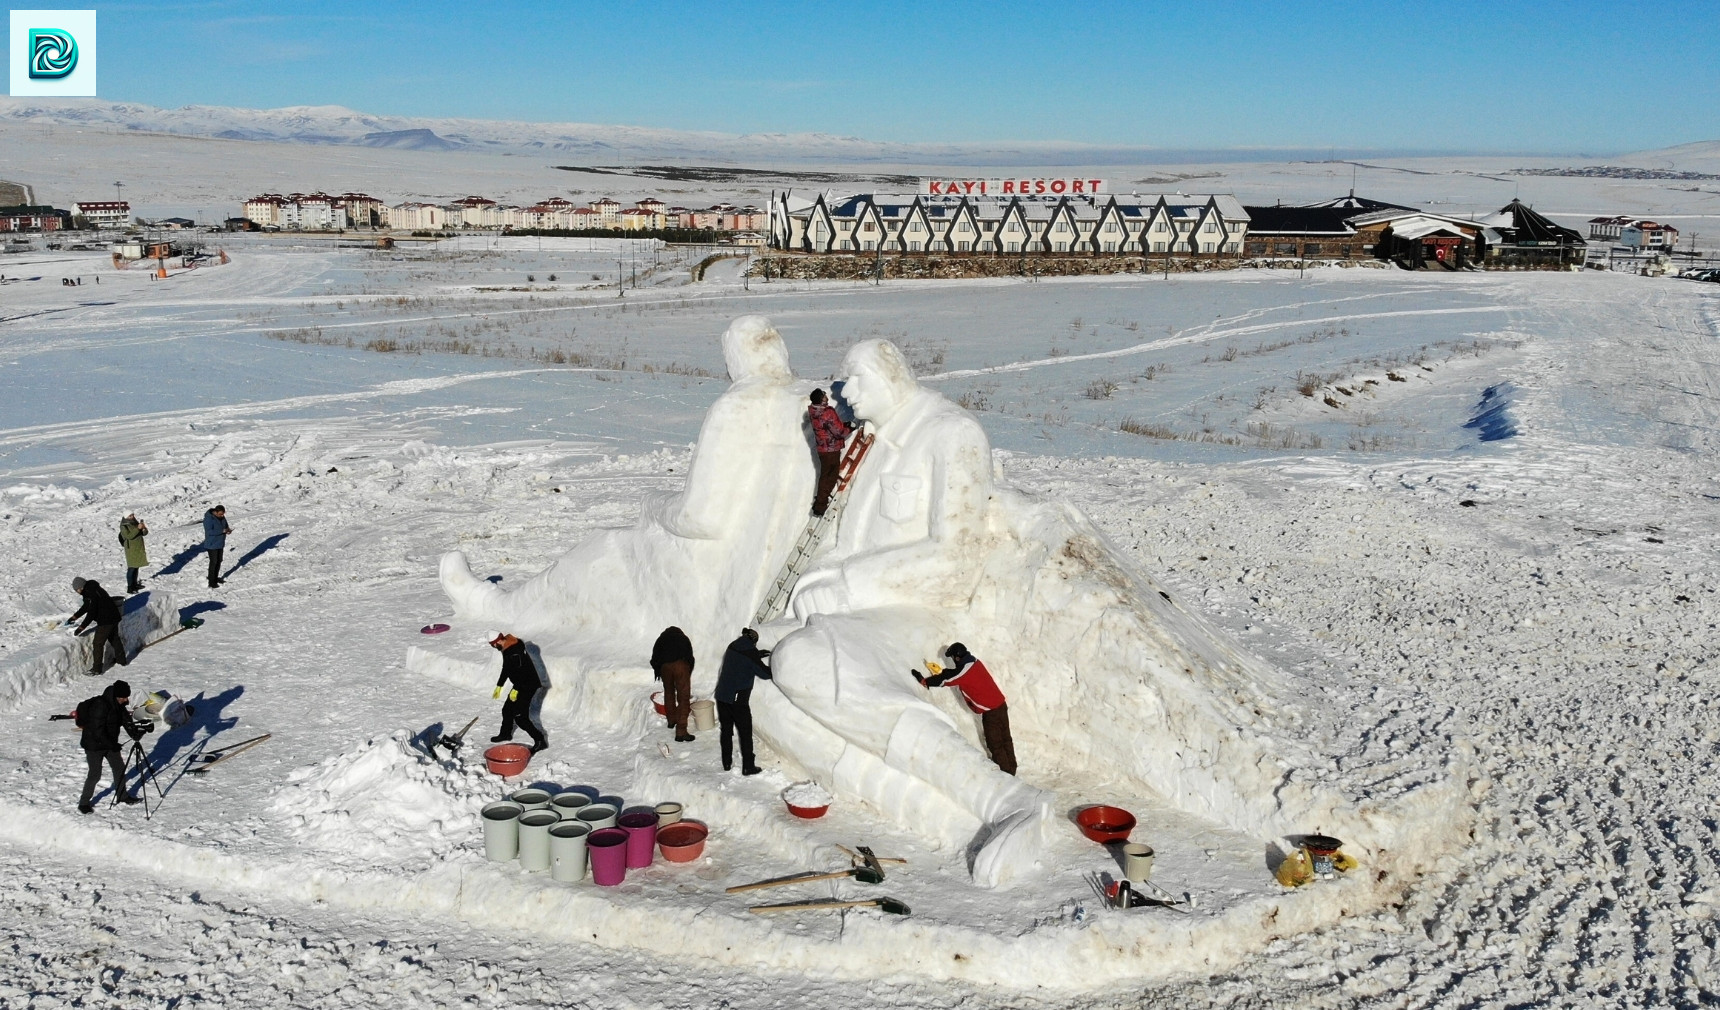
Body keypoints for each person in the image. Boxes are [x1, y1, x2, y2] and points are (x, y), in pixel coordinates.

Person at [915, 643, 1016, 775]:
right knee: (1006, 738)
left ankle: (1006, 775)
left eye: (952, 658)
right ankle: (1012, 768)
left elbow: (948, 679)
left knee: (995, 744)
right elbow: (956, 674)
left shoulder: (964, 670)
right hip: (1000, 704)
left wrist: (926, 682)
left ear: (957, 658)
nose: (952, 660)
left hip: (992, 712)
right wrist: (943, 672)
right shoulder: (974, 662)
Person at [74, 679, 147, 813]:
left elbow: (126, 720)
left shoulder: (119, 704)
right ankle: (83, 803)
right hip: (93, 745)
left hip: (109, 743)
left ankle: (122, 796)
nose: (125, 700)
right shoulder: (100, 705)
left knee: (119, 768)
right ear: (116, 696)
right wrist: (112, 745)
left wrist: (135, 733)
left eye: (126, 697)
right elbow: (97, 731)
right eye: (123, 698)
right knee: (95, 775)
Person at [714, 628, 772, 774]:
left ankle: (726, 763)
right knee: (745, 733)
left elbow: (740, 659)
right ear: (754, 641)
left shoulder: (732, 646)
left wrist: (757, 655)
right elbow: (765, 674)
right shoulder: (750, 654)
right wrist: (774, 668)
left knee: (726, 730)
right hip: (737, 699)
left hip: (721, 696)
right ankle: (748, 766)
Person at [487, 632, 548, 753]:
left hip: (528, 685)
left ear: (497, 641)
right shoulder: (507, 647)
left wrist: (516, 689)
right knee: (507, 710)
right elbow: (507, 668)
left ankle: (540, 740)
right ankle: (505, 734)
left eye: (493, 645)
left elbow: (523, 674)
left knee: (520, 717)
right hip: (520, 684)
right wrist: (499, 685)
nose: (494, 648)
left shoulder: (514, 652)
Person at [807, 388, 853, 516]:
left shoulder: (813, 410)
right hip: (831, 449)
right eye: (824, 395)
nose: (826, 396)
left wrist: (843, 425)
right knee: (831, 476)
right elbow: (839, 432)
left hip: (822, 448)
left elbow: (827, 427)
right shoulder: (827, 413)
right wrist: (850, 428)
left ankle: (820, 501)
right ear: (821, 399)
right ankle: (820, 505)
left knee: (825, 475)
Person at [69, 577, 129, 676]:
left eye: (76, 590)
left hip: (106, 620)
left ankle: (97, 669)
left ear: (80, 587)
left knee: (97, 643)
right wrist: (74, 617)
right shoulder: (93, 588)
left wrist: (81, 627)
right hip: (114, 616)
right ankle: (121, 660)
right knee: (114, 639)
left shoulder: (90, 594)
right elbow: (86, 606)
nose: (77, 592)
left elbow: (91, 613)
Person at [650, 626, 696, 742]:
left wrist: (659, 669)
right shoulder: (683, 638)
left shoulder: (661, 639)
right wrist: (687, 673)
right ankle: (681, 731)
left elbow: (654, 658)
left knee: (669, 693)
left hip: (665, 668)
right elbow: (690, 657)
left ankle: (671, 720)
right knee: (683, 698)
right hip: (681, 665)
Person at [119, 512, 149, 594]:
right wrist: (137, 528)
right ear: (126, 516)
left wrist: (144, 529)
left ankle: (135, 584)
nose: (132, 517)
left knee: (136, 566)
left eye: (132, 515)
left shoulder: (134, 522)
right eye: (130, 515)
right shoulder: (123, 526)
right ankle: (130, 587)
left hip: (138, 548)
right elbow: (129, 536)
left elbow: (144, 534)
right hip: (131, 549)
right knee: (131, 568)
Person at [202, 505, 231, 589]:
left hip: (220, 543)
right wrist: (222, 531)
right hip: (211, 544)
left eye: (223, 514)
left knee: (219, 561)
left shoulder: (222, 517)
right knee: (213, 562)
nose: (222, 516)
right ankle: (211, 582)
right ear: (215, 512)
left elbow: (225, 525)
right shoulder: (208, 519)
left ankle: (215, 577)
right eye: (220, 514)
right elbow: (209, 531)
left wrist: (227, 529)